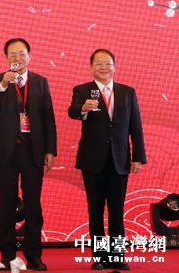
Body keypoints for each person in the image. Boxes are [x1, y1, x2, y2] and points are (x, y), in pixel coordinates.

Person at [67, 49, 145, 271]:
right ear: (91, 67)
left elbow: (136, 126)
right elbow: (72, 111)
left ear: (114, 67)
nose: (103, 67)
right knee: (96, 210)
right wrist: (83, 109)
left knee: (117, 211)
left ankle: (117, 255)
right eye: (99, 64)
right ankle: (100, 256)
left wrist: (138, 157)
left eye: (107, 63)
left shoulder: (127, 92)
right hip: (93, 160)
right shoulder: (83, 90)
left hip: (120, 159)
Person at [0, 38, 56, 270]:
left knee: (33, 205)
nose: (17, 58)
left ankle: (33, 255)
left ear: (29, 56)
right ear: (6, 58)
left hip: (32, 152)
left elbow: (48, 118)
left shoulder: (40, 82)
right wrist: (3, 85)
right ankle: (7, 255)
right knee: (6, 205)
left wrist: (50, 150)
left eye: (21, 54)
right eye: (12, 55)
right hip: (4, 153)